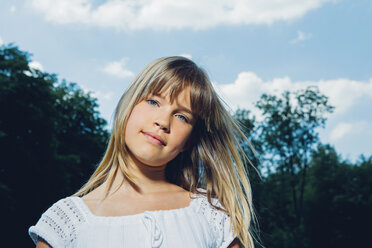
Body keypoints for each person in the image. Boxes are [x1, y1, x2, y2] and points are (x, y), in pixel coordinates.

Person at [29, 56, 257, 248]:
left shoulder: (211, 214)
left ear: (189, 141)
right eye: (153, 102)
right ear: (128, 106)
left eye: (182, 117)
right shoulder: (64, 223)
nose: (162, 121)